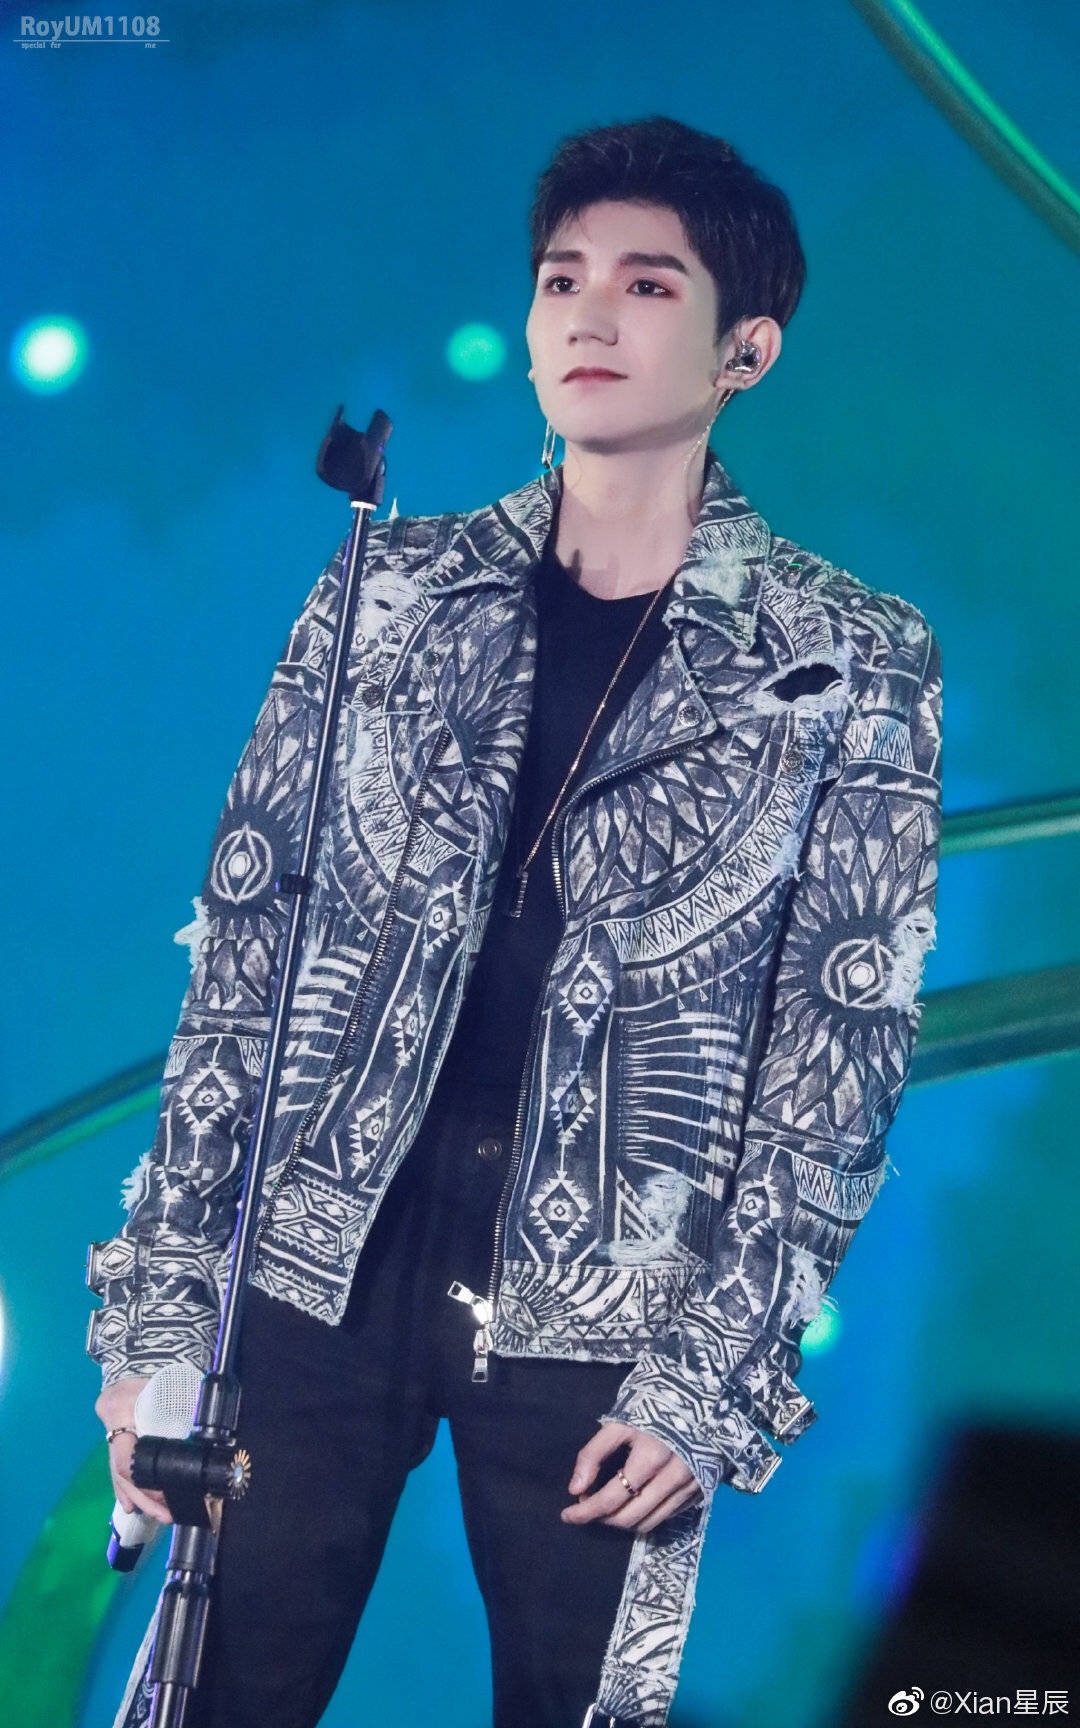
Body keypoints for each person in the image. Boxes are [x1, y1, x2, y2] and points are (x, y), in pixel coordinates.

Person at [87, 116, 943, 1728]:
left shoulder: (846, 656)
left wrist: (713, 1379)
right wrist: (161, 1315)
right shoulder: (387, 588)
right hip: (319, 1260)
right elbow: (246, 962)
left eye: (647, 284)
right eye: (562, 280)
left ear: (747, 348)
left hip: (616, 1299)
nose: (589, 316)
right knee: (208, 1695)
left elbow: (841, 1050)